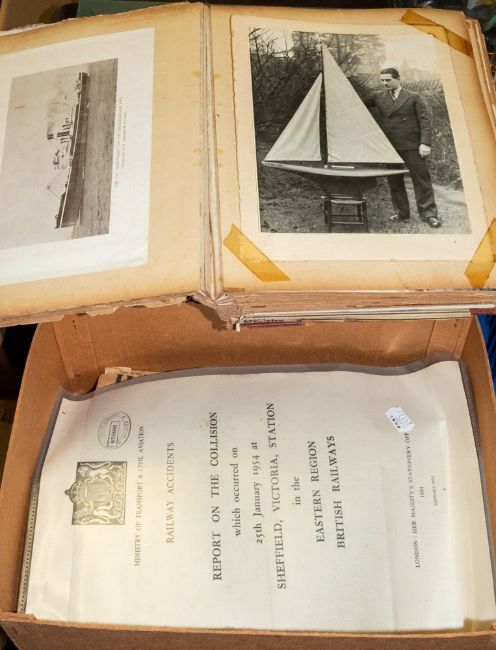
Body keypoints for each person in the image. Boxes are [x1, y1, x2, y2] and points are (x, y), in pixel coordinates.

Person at [369, 67, 441, 228]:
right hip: (390, 146)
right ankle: (401, 212)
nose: (385, 83)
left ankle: (429, 214)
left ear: (397, 79)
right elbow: (355, 103)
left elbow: (424, 121)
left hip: (412, 145)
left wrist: (425, 143)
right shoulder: (377, 97)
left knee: (421, 179)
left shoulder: (414, 97)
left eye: (388, 80)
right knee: (394, 180)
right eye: (382, 80)